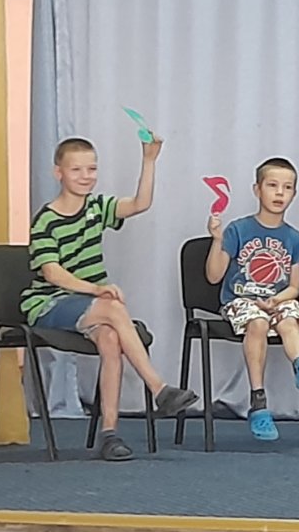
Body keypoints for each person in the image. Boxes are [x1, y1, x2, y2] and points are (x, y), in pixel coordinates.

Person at [20, 135, 197, 461]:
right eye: (76, 169)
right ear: (59, 173)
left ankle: (109, 434)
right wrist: (95, 289)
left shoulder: (96, 207)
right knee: (113, 308)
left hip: (91, 307)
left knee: (112, 339)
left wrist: (149, 160)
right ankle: (158, 388)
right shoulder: (46, 220)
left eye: (92, 169)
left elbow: (140, 203)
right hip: (49, 303)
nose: (86, 176)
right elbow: (52, 273)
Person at [204, 157, 299, 441]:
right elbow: (213, 276)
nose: (280, 193)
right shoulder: (237, 229)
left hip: (276, 300)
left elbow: (293, 287)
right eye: (272, 185)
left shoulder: (295, 239)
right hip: (241, 301)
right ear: (257, 189)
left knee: (290, 319)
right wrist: (216, 240)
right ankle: (259, 404)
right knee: (258, 323)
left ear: (294, 194)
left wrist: (276, 300)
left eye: (287, 187)